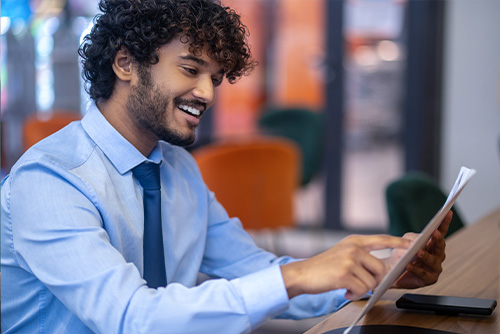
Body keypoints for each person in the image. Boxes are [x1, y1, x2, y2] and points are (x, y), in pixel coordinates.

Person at [0, 1, 451, 333]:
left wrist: (380, 275)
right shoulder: (50, 180)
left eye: (214, 78)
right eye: (191, 69)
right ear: (125, 63)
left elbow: (253, 270)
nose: (208, 94)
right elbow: (130, 317)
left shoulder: (177, 169)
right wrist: (293, 276)